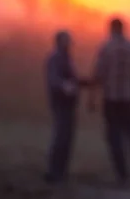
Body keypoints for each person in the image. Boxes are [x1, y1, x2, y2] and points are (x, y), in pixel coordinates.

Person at [89, 18, 130, 183]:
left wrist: (92, 98)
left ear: (110, 29)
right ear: (123, 29)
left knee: (114, 137)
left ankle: (122, 173)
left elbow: (98, 74)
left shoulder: (106, 48)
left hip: (112, 99)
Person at [44, 30, 79, 184]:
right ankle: (54, 172)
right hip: (61, 103)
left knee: (67, 138)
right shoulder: (54, 58)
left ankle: (62, 171)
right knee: (61, 138)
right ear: (58, 42)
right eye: (66, 41)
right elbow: (54, 79)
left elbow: (72, 79)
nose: (69, 45)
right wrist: (66, 86)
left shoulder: (67, 58)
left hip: (69, 104)